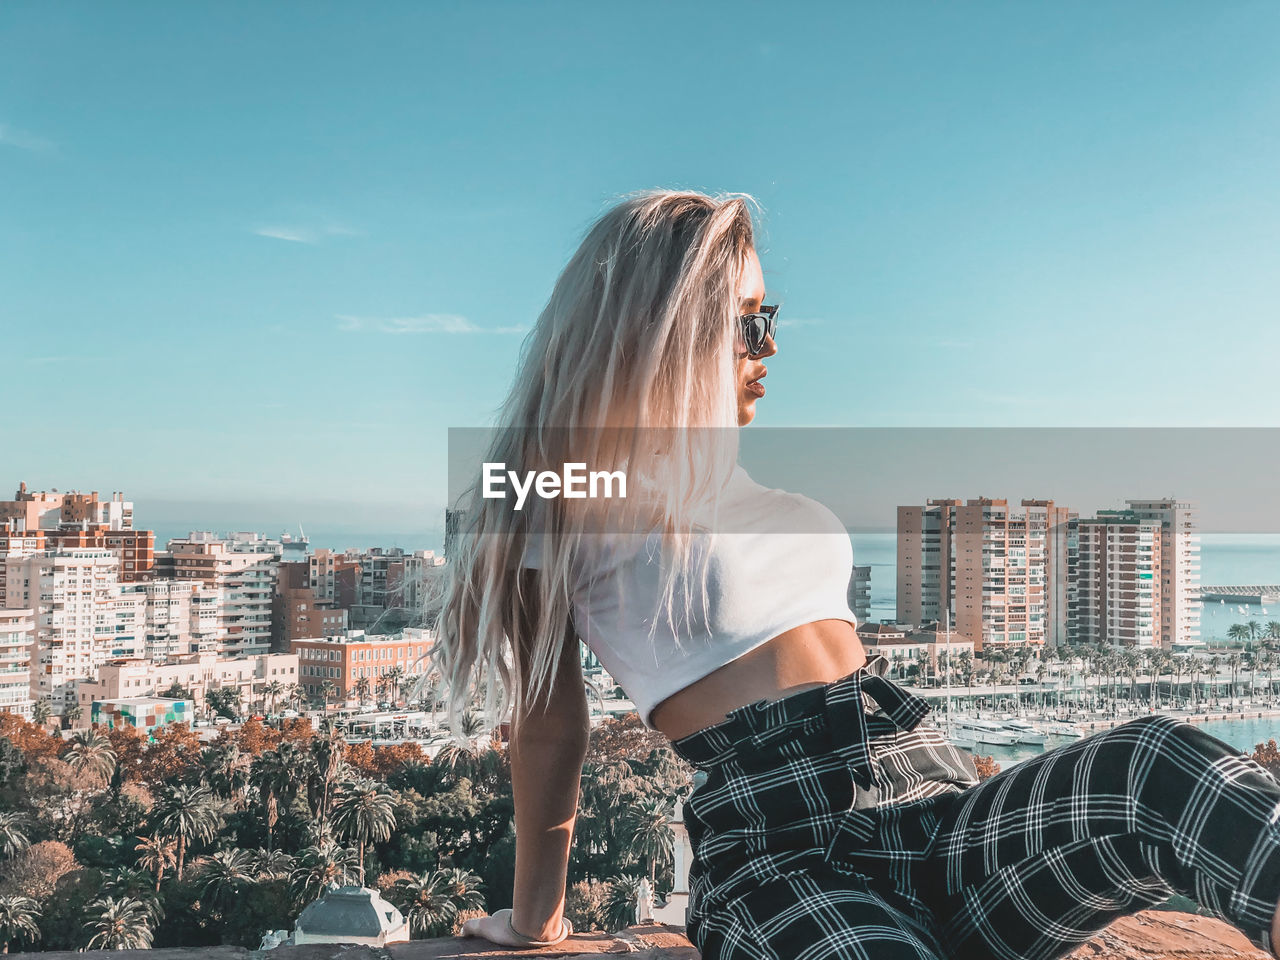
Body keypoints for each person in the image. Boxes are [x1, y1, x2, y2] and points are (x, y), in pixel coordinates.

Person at [433, 190, 1280, 959]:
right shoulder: (563, 489)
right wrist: (536, 918)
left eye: (772, 318)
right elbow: (548, 722)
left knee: (1158, 766)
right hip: (781, 854)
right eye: (746, 322)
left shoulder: (747, 493)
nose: (769, 346)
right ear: (661, 329)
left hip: (939, 806)